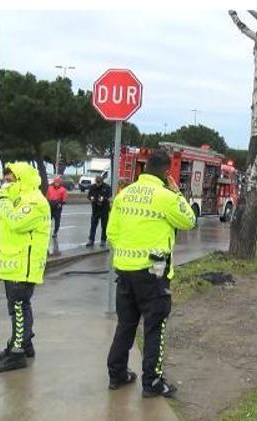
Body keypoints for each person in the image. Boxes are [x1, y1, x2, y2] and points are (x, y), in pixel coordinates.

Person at [105, 150, 196, 398]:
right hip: (153, 274)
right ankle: (152, 382)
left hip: (124, 271)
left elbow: (111, 233)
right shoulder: (166, 196)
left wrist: (128, 252)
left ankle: (117, 374)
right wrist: (177, 192)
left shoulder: (124, 195)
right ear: (166, 172)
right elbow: (189, 220)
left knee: (126, 324)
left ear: (144, 168)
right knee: (154, 327)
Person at [0, 163, 51, 372]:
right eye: (4, 181)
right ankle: (23, 344)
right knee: (18, 307)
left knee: (19, 308)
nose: (5, 185)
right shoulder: (18, 199)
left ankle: (17, 353)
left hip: (24, 265)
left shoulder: (35, 201)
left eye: (9, 181)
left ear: (21, 180)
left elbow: (16, 222)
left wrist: (2, 200)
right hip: (14, 264)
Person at [86, 175, 112, 247]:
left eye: (99, 182)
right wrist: (91, 198)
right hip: (95, 209)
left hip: (104, 209)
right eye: (96, 182)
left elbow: (110, 195)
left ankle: (103, 240)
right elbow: (89, 195)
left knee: (104, 226)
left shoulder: (107, 187)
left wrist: (103, 198)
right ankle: (91, 240)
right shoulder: (92, 187)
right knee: (93, 225)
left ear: (101, 181)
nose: (97, 184)